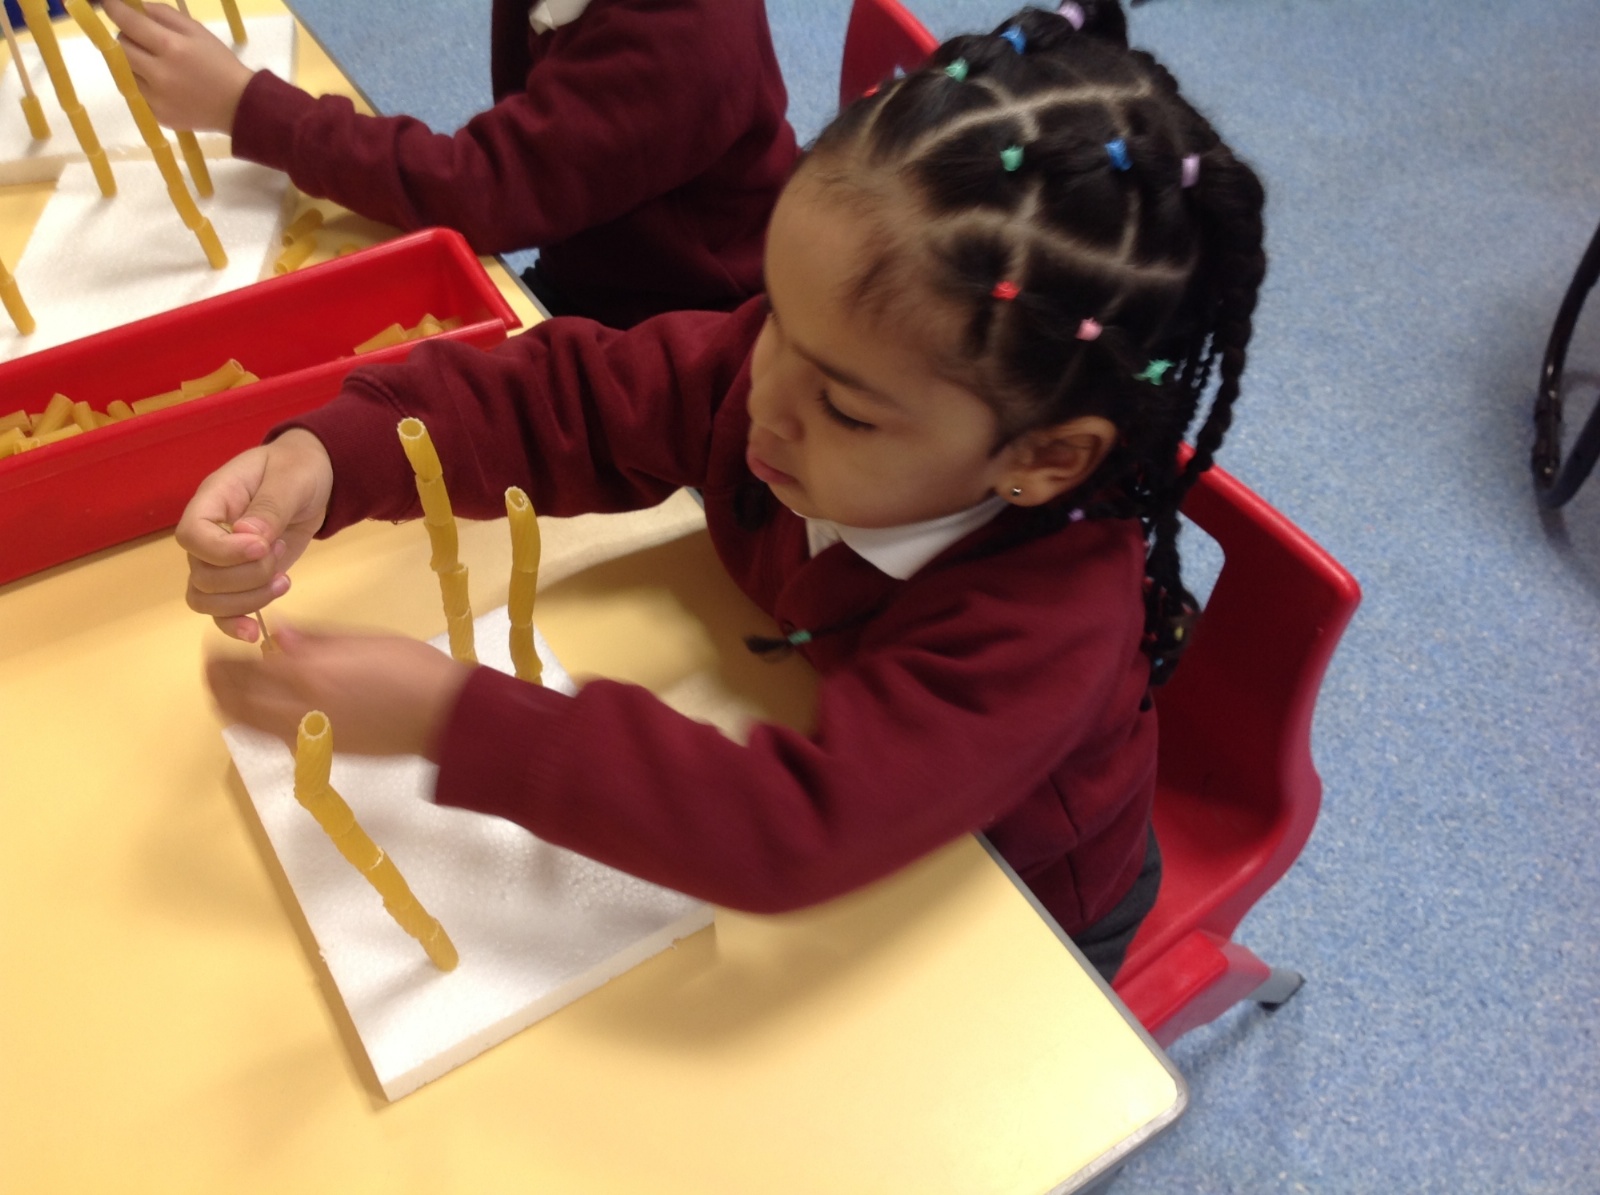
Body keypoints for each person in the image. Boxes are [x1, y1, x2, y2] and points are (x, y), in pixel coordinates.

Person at [179, 2, 1267, 981]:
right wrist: (335, 457)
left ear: (1045, 458)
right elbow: (571, 395)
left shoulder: (1048, 623)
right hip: (815, 746)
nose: (764, 402)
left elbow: (793, 825)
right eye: (778, 319)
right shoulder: (793, 381)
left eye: (845, 409)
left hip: (1014, 913)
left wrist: (452, 717)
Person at [101, 0, 799, 328]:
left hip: (685, 323)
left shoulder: (679, 32)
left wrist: (246, 107)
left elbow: (485, 189)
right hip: (593, 263)